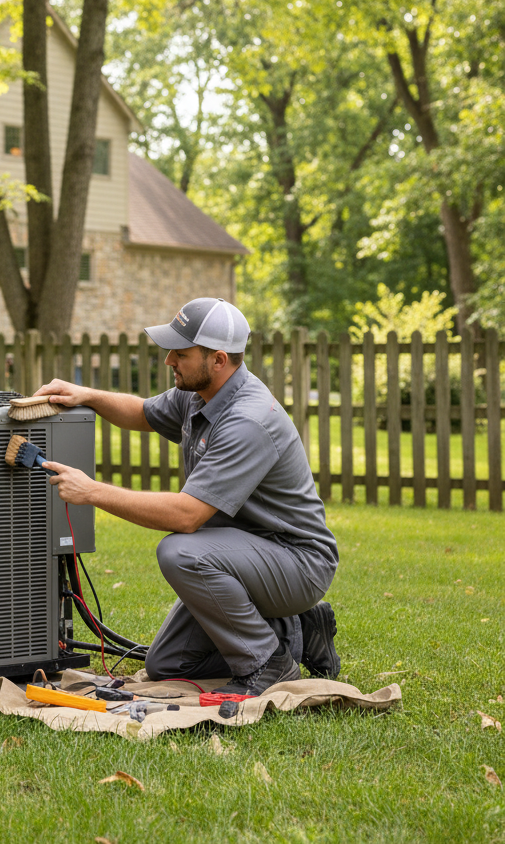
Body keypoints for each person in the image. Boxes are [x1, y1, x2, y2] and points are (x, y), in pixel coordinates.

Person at [37, 297, 340, 696]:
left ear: (218, 359)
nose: (169, 362)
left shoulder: (247, 420)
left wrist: (92, 491)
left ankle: (268, 662)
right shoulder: (201, 395)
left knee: (181, 552)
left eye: (180, 353)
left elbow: (186, 516)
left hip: (296, 561)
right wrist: (85, 394)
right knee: (167, 665)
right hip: (244, 555)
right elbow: (141, 412)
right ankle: (296, 629)